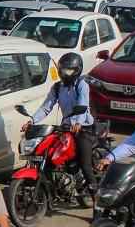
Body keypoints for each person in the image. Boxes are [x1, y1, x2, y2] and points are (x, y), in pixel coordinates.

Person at [26, 52, 97, 193]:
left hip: (84, 128)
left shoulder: (82, 85)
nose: (64, 73)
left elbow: (83, 104)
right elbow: (46, 107)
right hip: (66, 127)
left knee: (85, 165)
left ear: (77, 70)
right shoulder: (57, 87)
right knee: (49, 152)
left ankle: (98, 203)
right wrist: (32, 120)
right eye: (62, 69)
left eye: (68, 70)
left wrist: (77, 123)